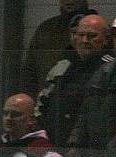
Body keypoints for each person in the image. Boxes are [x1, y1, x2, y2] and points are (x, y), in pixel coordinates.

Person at [35, 14, 113, 149]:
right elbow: (43, 104)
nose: (84, 40)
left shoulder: (110, 70)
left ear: (105, 40)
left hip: (92, 151)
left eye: (92, 36)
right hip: (56, 145)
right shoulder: (63, 66)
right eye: (80, 35)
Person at [22, 0, 98, 95]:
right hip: (48, 98)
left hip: (86, 97)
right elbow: (30, 70)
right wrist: (28, 98)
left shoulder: (98, 28)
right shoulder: (46, 29)